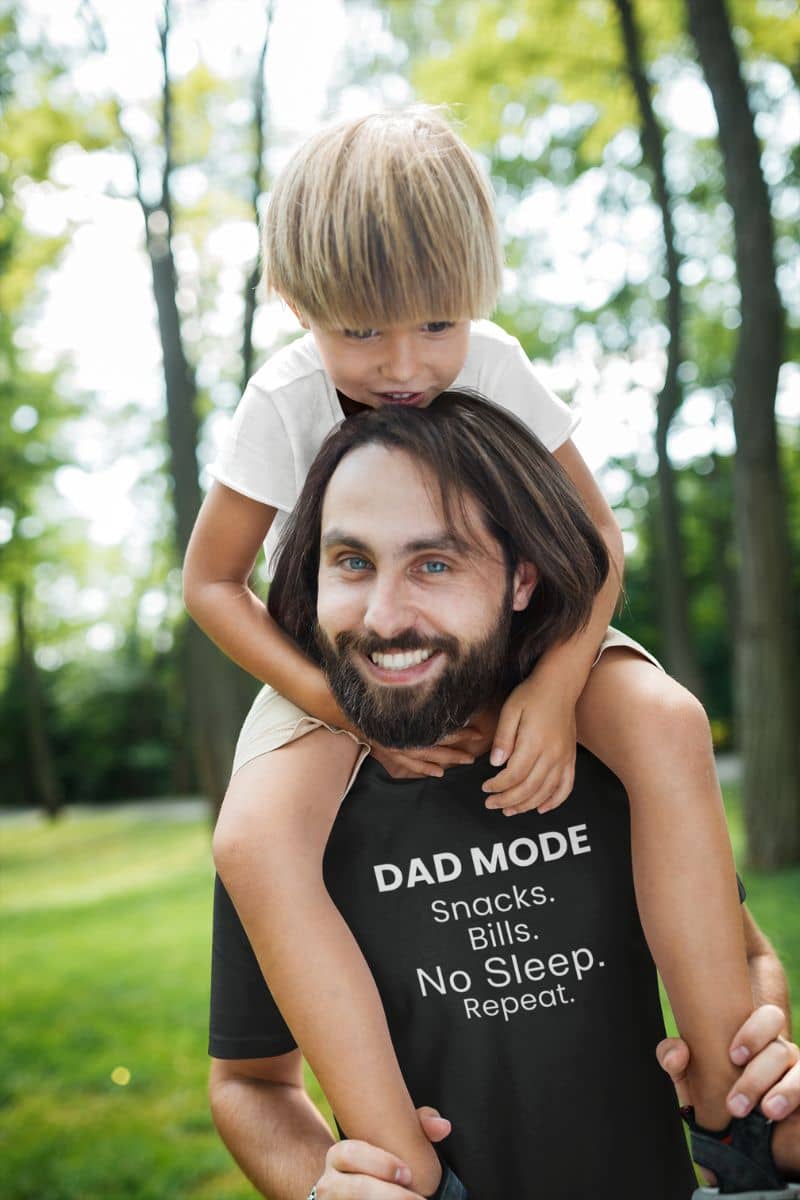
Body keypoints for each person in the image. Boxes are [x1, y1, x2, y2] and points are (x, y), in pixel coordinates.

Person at [186, 107, 760, 1191]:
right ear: (298, 306)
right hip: (334, 657)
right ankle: (402, 1168)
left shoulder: (490, 364)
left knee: (665, 720)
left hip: (529, 626)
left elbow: (595, 537)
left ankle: (736, 1106)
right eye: (360, 333)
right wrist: (343, 711)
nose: (405, 365)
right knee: (255, 841)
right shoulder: (282, 400)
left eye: (435, 326)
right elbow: (211, 584)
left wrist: (550, 687)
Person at [207, 393, 800, 1199]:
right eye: (352, 562)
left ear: (522, 579)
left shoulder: (617, 760)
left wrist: (761, 1049)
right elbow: (250, 1083)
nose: (384, 616)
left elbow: (751, 955)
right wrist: (323, 1185)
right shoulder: (291, 818)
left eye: (435, 564)